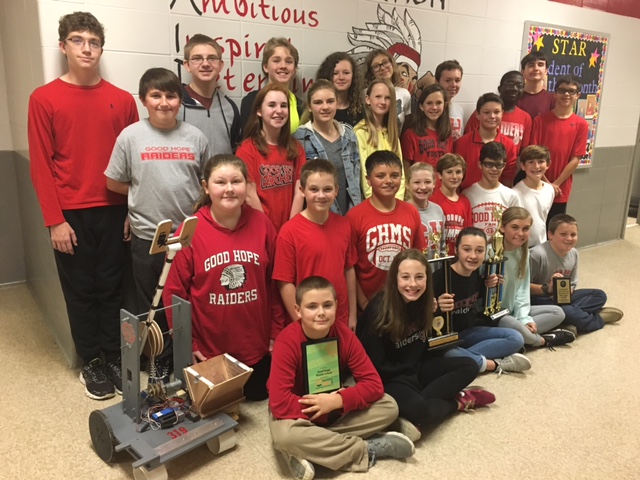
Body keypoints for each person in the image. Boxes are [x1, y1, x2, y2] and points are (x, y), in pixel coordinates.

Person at [28, 12, 138, 400]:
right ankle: (90, 360)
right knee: (81, 290)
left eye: (93, 42)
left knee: (112, 288)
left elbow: (133, 164)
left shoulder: (122, 100)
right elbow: (41, 164)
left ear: (101, 49)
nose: (86, 48)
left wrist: (130, 211)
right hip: (70, 214)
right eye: (77, 40)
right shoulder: (44, 99)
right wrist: (54, 221)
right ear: (63, 46)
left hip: (114, 210)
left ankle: (112, 356)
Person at [105, 68, 209, 382]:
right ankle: (160, 358)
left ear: (180, 100)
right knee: (153, 300)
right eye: (156, 95)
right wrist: (139, 193)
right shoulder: (130, 136)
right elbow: (113, 182)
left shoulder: (196, 137)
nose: (164, 102)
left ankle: (189, 354)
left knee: (186, 298)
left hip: (188, 235)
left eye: (171, 96)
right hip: (148, 235)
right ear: (144, 100)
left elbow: (206, 183)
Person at [163, 154, 285, 401]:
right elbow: (174, 292)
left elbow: (274, 284)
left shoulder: (262, 224)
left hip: (256, 347)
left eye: (236, 181)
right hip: (209, 351)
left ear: (247, 186)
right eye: (220, 182)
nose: (229, 189)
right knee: (215, 407)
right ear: (206, 187)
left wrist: (276, 331)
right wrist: (189, 345)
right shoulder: (189, 230)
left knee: (259, 396)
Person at [268, 276, 415, 480]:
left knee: (389, 406)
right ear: (298, 310)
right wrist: (321, 409)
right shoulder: (286, 342)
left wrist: (336, 401)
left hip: (334, 405)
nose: (321, 312)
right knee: (285, 436)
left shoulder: (345, 335)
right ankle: (367, 448)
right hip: (297, 412)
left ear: (336, 306)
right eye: (312, 306)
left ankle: (310, 449)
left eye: (327, 305)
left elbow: (373, 384)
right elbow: (279, 402)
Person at [357, 249, 496, 442]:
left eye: (419, 277)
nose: (413, 284)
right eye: (405, 277)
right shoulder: (379, 310)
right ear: (395, 279)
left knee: (469, 365)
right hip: (390, 378)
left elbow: (425, 345)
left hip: (417, 368)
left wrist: (437, 314)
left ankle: (419, 405)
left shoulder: (425, 303)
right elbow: (373, 365)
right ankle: (458, 401)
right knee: (422, 411)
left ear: (427, 279)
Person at [273, 160, 358, 329]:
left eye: (327, 189)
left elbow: (349, 270)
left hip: (339, 317)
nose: (321, 195)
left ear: (336, 191)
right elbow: (285, 283)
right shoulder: (289, 232)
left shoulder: (344, 225)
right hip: (308, 321)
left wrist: (352, 315)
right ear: (302, 191)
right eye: (314, 189)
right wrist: (300, 321)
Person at [434, 228, 531, 375]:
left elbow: (480, 300)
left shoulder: (478, 273)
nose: (473, 256)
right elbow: (420, 318)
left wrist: (490, 287)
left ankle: (465, 360)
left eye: (479, 251)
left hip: (469, 332)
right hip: (445, 340)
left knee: (516, 338)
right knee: (448, 354)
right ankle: (496, 364)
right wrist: (436, 307)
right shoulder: (440, 278)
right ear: (456, 250)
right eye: (467, 249)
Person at [346, 151, 426, 309]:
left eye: (394, 175)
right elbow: (350, 268)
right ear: (368, 180)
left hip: (405, 301)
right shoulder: (354, 216)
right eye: (380, 176)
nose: (388, 181)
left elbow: (418, 257)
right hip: (369, 304)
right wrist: (363, 304)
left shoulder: (411, 212)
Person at [529, 214, 623, 334]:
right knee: (566, 311)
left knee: (599, 295)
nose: (569, 238)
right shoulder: (537, 255)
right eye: (563, 234)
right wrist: (548, 289)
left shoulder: (574, 253)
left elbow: (572, 284)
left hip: (563, 298)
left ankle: (569, 320)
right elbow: (523, 287)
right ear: (550, 235)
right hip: (540, 299)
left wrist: (568, 291)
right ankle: (598, 319)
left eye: (573, 234)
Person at [495, 207, 574, 348]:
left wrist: (524, 318)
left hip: (514, 310)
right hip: (498, 315)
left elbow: (522, 289)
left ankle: (523, 335)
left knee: (558, 312)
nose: (520, 233)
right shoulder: (490, 252)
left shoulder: (523, 253)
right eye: (514, 227)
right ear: (502, 227)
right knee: (509, 322)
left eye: (525, 228)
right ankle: (542, 340)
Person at [236, 83, 306, 231]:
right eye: (272, 105)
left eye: (284, 106)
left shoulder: (296, 148)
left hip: (289, 230)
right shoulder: (247, 149)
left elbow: (300, 192)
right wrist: (268, 231)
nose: (279, 111)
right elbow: (249, 195)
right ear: (259, 111)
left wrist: (289, 230)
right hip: (259, 229)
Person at [293, 80, 361, 216]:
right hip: (316, 216)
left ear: (337, 103)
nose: (325, 107)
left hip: (349, 215)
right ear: (310, 107)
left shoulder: (349, 135)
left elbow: (356, 179)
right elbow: (298, 187)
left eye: (330, 101)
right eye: (318, 102)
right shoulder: (300, 138)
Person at [531, 76, 588, 225]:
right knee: (534, 226)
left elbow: (575, 159)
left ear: (577, 95)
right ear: (555, 94)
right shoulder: (540, 121)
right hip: (536, 182)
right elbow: (533, 155)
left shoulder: (581, 124)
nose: (566, 94)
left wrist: (555, 184)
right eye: (562, 90)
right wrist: (546, 183)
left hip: (560, 188)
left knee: (554, 228)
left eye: (571, 91)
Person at [180, 34, 241, 154]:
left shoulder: (230, 107)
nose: (205, 64)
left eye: (212, 58)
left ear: (220, 65)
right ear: (187, 65)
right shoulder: (175, 105)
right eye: (197, 58)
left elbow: (236, 151)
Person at [353, 79, 405, 200]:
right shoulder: (360, 132)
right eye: (378, 97)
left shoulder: (392, 133)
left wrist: (398, 201)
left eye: (387, 98)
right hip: (372, 201)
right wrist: (375, 203)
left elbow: (400, 172)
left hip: (394, 200)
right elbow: (364, 174)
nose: (383, 102)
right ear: (368, 99)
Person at [240, 37, 304, 134]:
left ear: (294, 69)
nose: (283, 66)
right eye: (276, 60)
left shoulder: (301, 106)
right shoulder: (252, 101)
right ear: (265, 67)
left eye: (289, 61)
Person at [454, 93, 518, 189]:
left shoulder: (509, 145)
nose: (492, 116)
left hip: (496, 197)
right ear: (477, 114)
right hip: (466, 195)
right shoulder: (462, 143)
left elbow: (508, 179)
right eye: (487, 112)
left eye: (496, 112)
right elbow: (456, 176)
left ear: (502, 114)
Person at [462, 142, 521, 242]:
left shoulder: (511, 196)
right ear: (480, 164)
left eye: (498, 165)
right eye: (489, 164)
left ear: (504, 166)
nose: (494, 169)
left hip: (503, 249)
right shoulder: (467, 194)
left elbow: (516, 228)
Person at [464, 71, 532, 155]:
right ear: (499, 88)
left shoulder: (526, 118)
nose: (514, 89)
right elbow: (467, 142)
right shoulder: (483, 113)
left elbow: (523, 152)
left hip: (510, 162)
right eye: (510, 84)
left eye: (519, 86)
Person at [401, 84, 453, 172]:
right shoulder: (410, 135)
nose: (434, 107)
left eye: (438, 103)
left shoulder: (447, 134)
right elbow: (406, 169)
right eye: (429, 103)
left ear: (445, 105)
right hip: (419, 181)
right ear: (421, 106)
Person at [512, 145, 555, 247]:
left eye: (540, 161)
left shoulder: (549, 190)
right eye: (531, 162)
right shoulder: (515, 193)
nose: (536, 166)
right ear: (523, 166)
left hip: (541, 245)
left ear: (548, 164)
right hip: (522, 247)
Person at [429, 154, 473, 255]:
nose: (454, 177)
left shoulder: (465, 202)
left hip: (459, 257)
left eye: (458, 172)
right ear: (440, 175)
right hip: (438, 257)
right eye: (449, 172)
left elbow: (468, 233)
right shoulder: (432, 200)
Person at [363, 49, 412, 130]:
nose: (382, 68)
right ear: (371, 72)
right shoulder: (365, 93)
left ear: (392, 63)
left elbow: (406, 127)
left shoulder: (404, 94)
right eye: (376, 66)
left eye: (385, 62)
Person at [406, 163, 446, 260]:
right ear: (407, 184)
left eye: (428, 182)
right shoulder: (403, 212)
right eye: (417, 182)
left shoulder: (438, 210)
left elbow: (442, 246)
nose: (423, 187)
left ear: (434, 184)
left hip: (436, 268)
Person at [316, 52, 364, 127]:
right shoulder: (318, 108)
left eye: (346, 73)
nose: (341, 77)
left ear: (353, 76)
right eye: (335, 73)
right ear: (326, 75)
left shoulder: (361, 110)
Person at [518, 51, 556, 120]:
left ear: (546, 70)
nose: (536, 68)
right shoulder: (514, 97)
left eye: (540, 65)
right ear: (523, 72)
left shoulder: (553, 100)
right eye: (531, 65)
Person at [435, 60, 464, 140]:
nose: (453, 85)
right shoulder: (431, 109)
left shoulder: (459, 110)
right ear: (437, 82)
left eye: (457, 80)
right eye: (448, 80)